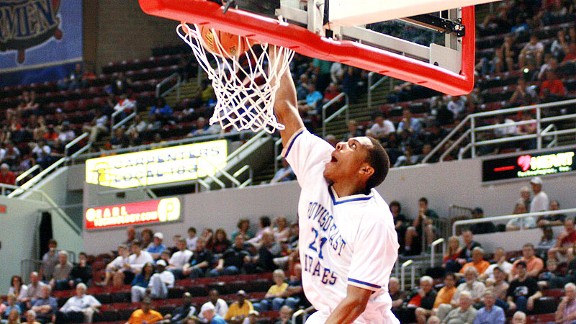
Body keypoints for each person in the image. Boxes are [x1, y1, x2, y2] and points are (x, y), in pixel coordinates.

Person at [273, 62, 399, 323]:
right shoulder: (319, 164)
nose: (341, 143)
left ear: (365, 170)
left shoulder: (375, 220)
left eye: (352, 146)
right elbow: (286, 111)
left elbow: (356, 302)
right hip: (328, 314)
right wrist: (278, 53)